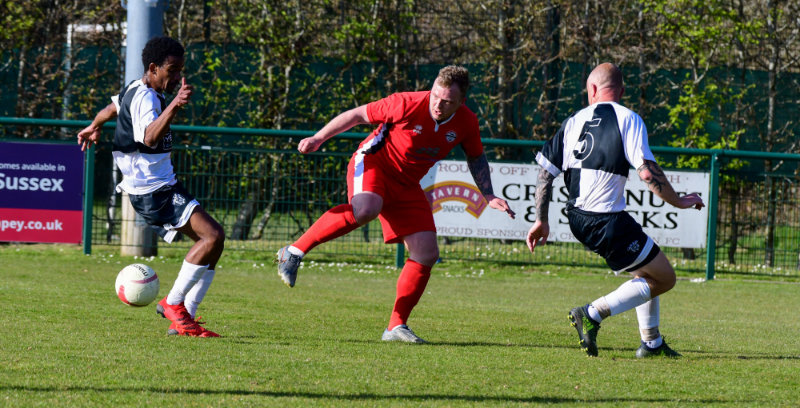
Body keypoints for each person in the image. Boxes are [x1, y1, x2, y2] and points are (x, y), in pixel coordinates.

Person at [276, 65, 516, 343]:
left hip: (407, 183)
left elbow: (475, 157)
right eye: (435, 96)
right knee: (366, 209)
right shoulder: (406, 103)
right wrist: (319, 138)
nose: (438, 105)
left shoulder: (467, 121)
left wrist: (489, 195)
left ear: (462, 101)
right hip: (374, 164)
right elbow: (357, 115)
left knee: (426, 253)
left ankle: (395, 326)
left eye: (447, 101)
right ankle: (293, 252)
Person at [526, 63, 705, 358]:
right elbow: (646, 172)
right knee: (665, 279)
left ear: (592, 89)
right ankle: (591, 313)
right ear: (621, 91)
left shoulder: (573, 121)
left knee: (646, 271)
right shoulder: (628, 118)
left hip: (577, 218)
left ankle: (652, 343)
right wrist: (679, 201)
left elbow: (545, 175)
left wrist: (540, 220)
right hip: (606, 219)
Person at [77, 36, 225, 337]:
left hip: (160, 185)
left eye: (180, 70)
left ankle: (185, 318)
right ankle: (173, 304)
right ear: (154, 67)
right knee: (212, 237)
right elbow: (149, 138)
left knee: (214, 242)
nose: (176, 76)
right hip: (154, 190)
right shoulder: (146, 97)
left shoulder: (135, 87)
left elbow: (112, 108)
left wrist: (94, 125)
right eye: (172, 70)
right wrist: (175, 106)